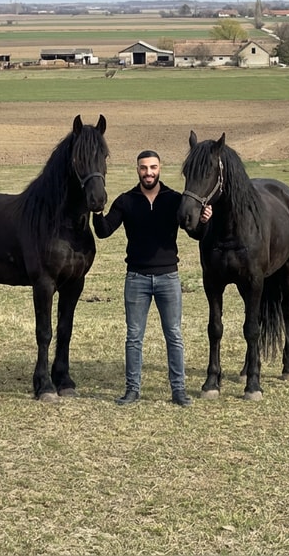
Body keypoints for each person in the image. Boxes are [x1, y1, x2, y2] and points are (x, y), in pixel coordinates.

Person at [93, 149, 211, 406]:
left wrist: (203, 222)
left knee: (174, 335)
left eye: (153, 167)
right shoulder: (126, 201)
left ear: (160, 169)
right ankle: (132, 390)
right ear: (137, 170)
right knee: (134, 337)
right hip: (136, 279)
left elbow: (196, 234)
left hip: (169, 278)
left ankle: (178, 390)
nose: (149, 172)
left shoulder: (174, 200)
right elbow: (103, 232)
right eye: (144, 168)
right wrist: (96, 210)